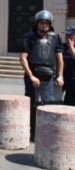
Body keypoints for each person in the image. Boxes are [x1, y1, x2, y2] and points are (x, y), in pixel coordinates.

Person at [19, 10, 64, 142]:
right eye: (42, 22)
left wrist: (60, 76)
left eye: (47, 23)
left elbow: (59, 59)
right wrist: (31, 76)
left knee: (48, 104)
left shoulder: (55, 38)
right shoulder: (28, 38)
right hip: (33, 76)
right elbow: (23, 59)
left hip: (49, 76)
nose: (44, 25)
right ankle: (32, 131)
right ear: (37, 23)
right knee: (32, 104)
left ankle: (49, 131)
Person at [62, 26, 75, 106]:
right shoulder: (63, 46)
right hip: (63, 79)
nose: (67, 37)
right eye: (66, 35)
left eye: (69, 35)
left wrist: (71, 47)